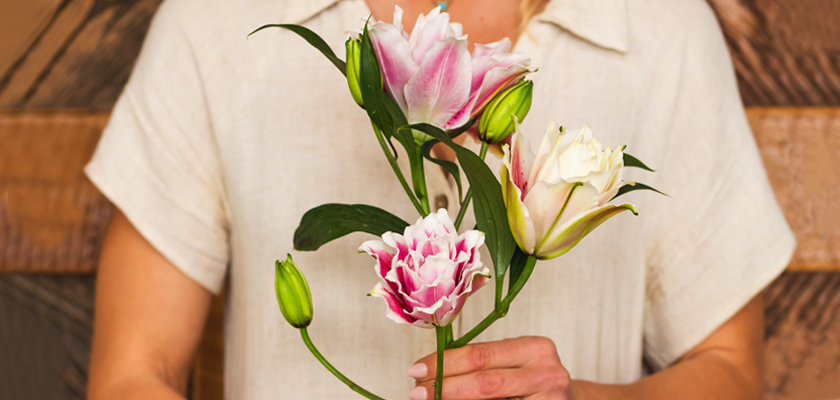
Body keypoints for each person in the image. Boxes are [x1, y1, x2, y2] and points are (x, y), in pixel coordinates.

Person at [85, 0, 795, 398]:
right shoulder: (216, 22)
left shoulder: (660, 27)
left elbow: (730, 369)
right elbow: (130, 374)